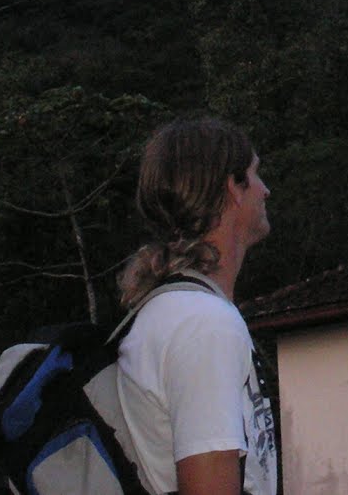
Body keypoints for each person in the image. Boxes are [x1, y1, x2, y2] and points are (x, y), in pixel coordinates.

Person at [114, 117, 277, 495]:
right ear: (232, 188)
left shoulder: (169, 310)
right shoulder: (204, 325)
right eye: (255, 174)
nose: (265, 190)